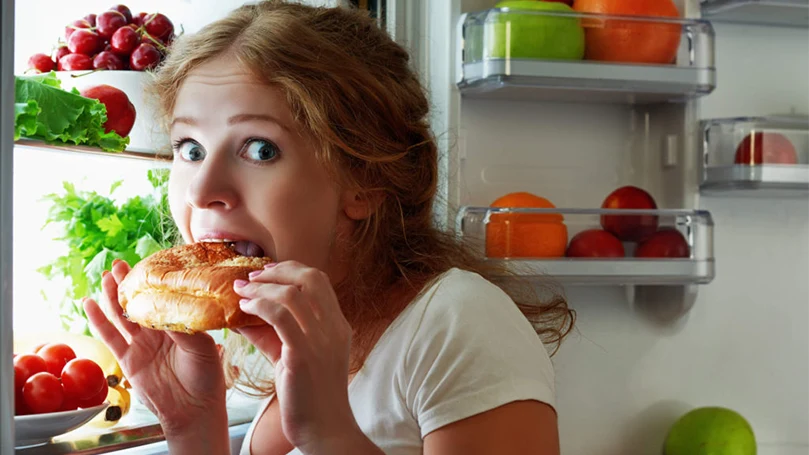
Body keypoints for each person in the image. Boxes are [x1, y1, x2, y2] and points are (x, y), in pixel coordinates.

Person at [83, 1, 575, 454]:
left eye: (260, 149)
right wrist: (192, 425)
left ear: (363, 179)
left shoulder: (458, 323)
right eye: (190, 148)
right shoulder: (271, 339)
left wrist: (327, 432)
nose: (201, 188)